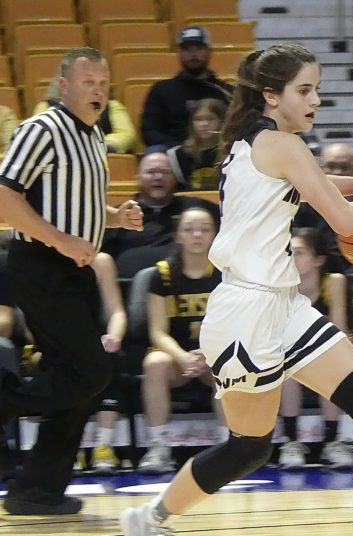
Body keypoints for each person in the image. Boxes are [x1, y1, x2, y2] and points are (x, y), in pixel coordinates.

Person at [120, 43, 353, 536]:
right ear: (271, 94)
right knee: (249, 446)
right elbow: (345, 220)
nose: (315, 100)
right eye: (304, 90)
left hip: (282, 304)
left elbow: (304, 183)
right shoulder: (283, 145)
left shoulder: (255, 141)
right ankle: (149, 518)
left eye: (317, 90)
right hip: (245, 313)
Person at [0, 47, 143, 515]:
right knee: (91, 371)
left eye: (103, 83)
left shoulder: (95, 136)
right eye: (88, 83)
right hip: (40, 266)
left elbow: (75, 204)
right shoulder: (41, 129)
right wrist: (61, 241)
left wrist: (114, 217)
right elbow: (5, 197)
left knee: (78, 382)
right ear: (64, 86)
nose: (98, 91)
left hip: (72, 269)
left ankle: (35, 491)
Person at [137, 206, 223, 474]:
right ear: (178, 235)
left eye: (205, 229)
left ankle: (230, 446)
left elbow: (234, 326)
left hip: (214, 354)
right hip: (177, 359)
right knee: (154, 363)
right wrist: (183, 357)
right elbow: (158, 332)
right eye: (189, 229)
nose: (197, 235)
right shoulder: (162, 275)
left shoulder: (226, 273)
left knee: (229, 363)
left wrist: (207, 353)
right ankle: (158, 446)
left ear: (215, 235)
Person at [278, 227, 353, 470]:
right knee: (287, 368)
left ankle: (333, 442)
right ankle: (291, 442)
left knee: (331, 364)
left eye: (299, 252)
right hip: (289, 353)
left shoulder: (334, 282)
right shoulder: (279, 286)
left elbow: (338, 330)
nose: (291, 258)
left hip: (326, 350)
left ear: (319, 260)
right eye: (289, 252)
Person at [102, 149, 220, 278]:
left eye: (165, 172)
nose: (158, 177)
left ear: (175, 178)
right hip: (126, 285)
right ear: (138, 178)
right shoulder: (121, 214)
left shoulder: (197, 208)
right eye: (151, 172)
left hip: (184, 285)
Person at [140, 26, 233, 148]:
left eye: (199, 48)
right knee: (154, 153)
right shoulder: (161, 90)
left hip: (219, 151)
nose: (193, 54)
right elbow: (150, 131)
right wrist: (180, 150)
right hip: (172, 151)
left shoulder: (226, 91)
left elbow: (237, 127)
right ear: (179, 53)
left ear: (209, 51)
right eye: (186, 49)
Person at [80, 251, 128, 475]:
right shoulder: (43, 260)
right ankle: (70, 447)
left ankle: (103, 444)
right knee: (61, 363)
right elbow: (33, 318)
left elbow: (117, 312)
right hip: (55, 340)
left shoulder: (101, 261)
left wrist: (114, 336)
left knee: (109, 356)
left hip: (94, 340)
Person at [34, 66, 136, 154]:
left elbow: (126, 134)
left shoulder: (112, 106)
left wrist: (99, 145)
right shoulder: (45, 107)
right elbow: (40, 136)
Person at [293, 142, 353, 274]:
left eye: (344, 167)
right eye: (331, 166)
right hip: (316, 272)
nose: (338, 172)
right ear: (321, 168)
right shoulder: (303, 202)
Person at [166, 98, 226, 190]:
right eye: (198, 119)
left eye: (210, 119)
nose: (204, 124)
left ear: (221, 122)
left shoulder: (232, 151)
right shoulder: (179, 155)